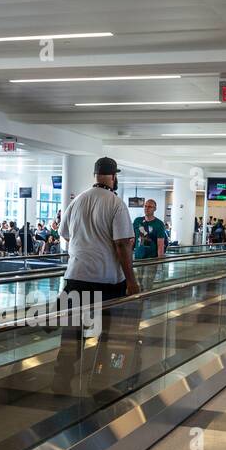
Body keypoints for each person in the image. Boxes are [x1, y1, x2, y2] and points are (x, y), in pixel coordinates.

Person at [53, 157, 140, 395]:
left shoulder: (77, 201)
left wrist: (85, 248)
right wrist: (131, 281)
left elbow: (65, 234)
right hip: (107, 281)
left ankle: (61, 382)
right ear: (113, 177)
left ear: (95, 175)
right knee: (111, 335)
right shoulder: (116, 204)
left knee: (71, 333)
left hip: (75, 278)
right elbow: (123, 245)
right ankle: (105, 382)